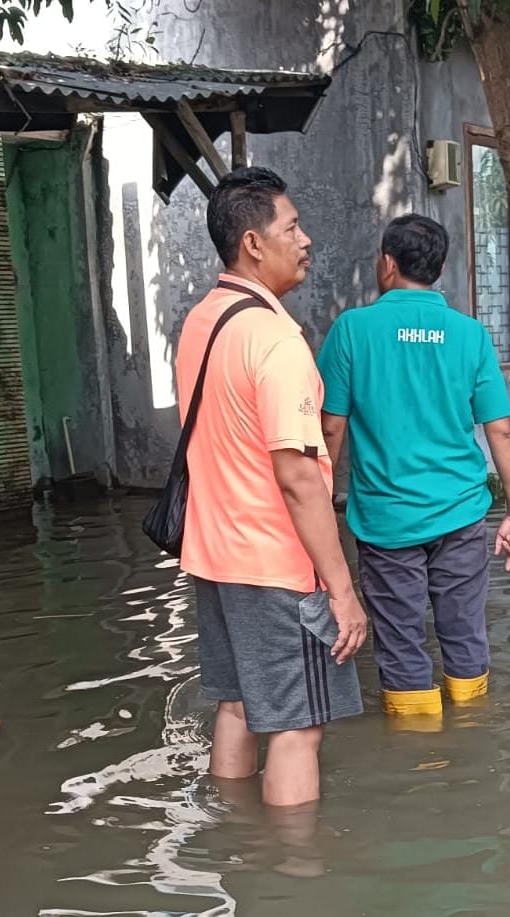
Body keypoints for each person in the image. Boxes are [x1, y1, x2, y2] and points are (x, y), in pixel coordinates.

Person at [176, 167, 367, 808]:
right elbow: (297, 478)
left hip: (213, 555)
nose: (306, 239)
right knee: (297, 727)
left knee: (238, 703)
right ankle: (294, 875)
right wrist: (342, 591)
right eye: (292, 227)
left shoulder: (202, 320)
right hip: (275, 564)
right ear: (254, 243)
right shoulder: (277, 339)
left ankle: (234, 837)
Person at [317, 214, 510, 722]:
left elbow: (330, 429)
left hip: (387, 520)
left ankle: (418, 761)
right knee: (463, 628)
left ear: (388, 263)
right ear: (438, 267)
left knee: (400, 637)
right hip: (461, 512)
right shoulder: (470, 334)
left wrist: (317, 504)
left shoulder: (353, 329)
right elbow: (500, 430)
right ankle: (473, 733)